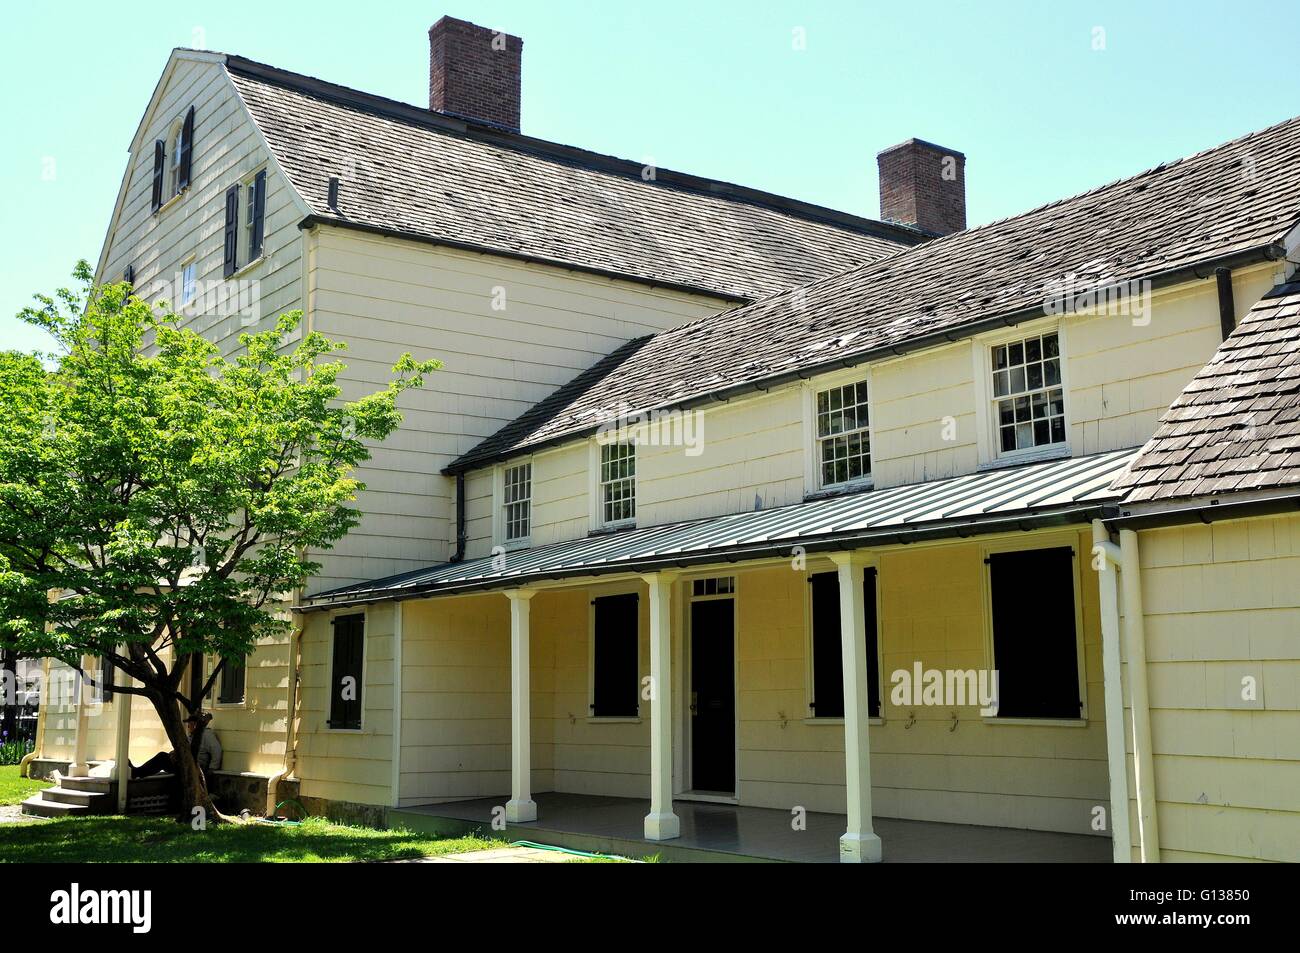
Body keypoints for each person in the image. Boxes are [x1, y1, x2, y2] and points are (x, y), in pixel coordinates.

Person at [130, 710, 222, 779]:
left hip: (194, 768)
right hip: (184, 764)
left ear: (195, 724)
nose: (188, 726)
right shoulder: (191, 736)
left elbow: (216, 750)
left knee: (162, 758)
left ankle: (136, 773)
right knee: (164, 756)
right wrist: (173, 754)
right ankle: (137, 772)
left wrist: (212, 768)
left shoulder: (206, 734)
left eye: (190, 724)